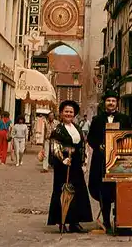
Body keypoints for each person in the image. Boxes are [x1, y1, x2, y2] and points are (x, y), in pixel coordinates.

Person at [87, 90, 131, 233]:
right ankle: (106, 221)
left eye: (113, 101)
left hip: (119, 160)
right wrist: (99, 145)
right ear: (104, 103)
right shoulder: (97, 120)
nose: (111, 103)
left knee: (119, 190)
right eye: (108, 101)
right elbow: (90, 138)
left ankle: (120, 220)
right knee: (103, 191)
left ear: (117, 103)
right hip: (101, 161)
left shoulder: (124, 119)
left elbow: (130, 136)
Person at [47, 100, 92, 233]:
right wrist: (62, 159)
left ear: (74, 114)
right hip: (64, 165)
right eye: (66, 111)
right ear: (61, 113)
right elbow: (54, 146)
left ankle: (75, 222)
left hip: (76, 165)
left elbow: (83, 146)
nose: (68, 114)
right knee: (62, 192)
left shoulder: (77, 128)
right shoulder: (58, 129)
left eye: (71, 112)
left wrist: (84, 162)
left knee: (77, 192)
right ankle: (61, 221)